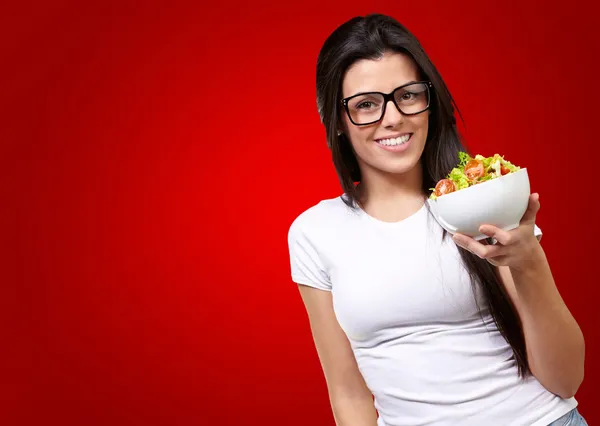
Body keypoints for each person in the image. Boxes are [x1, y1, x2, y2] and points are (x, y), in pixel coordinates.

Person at [286, 13, 586, 426]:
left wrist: (529, 260)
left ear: (430, 100)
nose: (392, 118)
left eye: (407, 95)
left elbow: (566, 379)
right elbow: (348, 394)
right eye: (367, 104)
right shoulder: (314, 232)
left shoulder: (482, 196)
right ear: (338, 121)